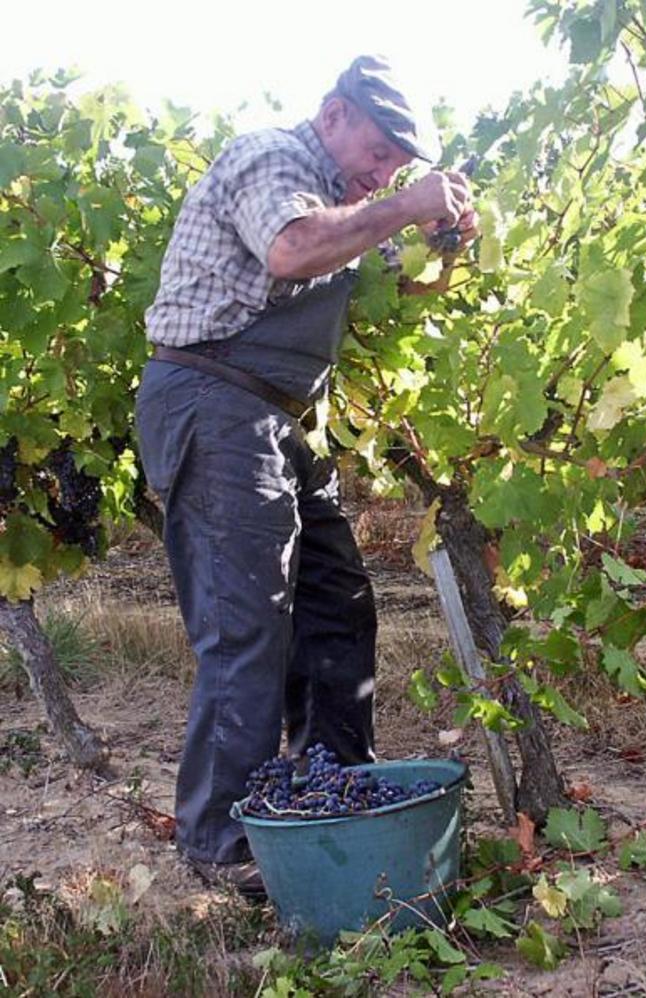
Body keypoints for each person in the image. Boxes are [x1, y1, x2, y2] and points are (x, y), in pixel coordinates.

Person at [135, 55, 475, 896]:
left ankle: (328, 792)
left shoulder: (351, 211)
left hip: (273, 415)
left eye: (402, 161)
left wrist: (442, 247)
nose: (387, 168)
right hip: (213, 395)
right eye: (381, 147)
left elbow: (400, 284)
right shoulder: (272, 161)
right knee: (248, 624)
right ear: (333, 114)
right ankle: (219, 845)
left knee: (335, 601)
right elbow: (289, 250)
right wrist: (402, 205)